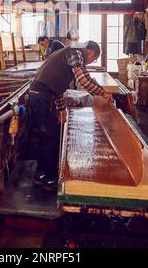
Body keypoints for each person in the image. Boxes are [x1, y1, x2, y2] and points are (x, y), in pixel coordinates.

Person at [28, 41, 113, 192]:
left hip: (40, 94)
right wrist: (103, 92)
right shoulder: (76, 53)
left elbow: (58, 86)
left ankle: (40, 174)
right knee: (50, 137)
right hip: (42, 96)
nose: (90, 62)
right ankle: (49, 179)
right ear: (91, 52)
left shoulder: (66, 54)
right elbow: (83, 80)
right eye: (94, 59)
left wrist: (61, 109)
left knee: (46, 135)